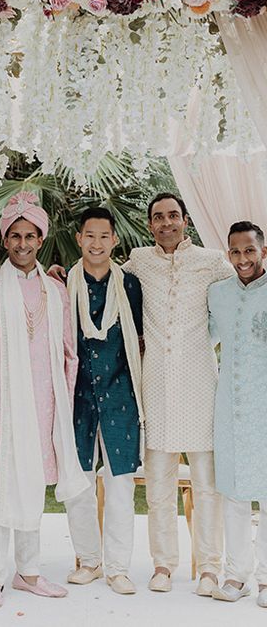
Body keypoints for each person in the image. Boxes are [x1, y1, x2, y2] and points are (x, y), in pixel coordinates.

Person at [0, 191, 88, 609]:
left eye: (30, 236)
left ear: (41, 239)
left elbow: (69, 353)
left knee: (32, 486)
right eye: (14, 236)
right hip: (0, 408)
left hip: (43, 407)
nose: (22, 244)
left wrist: (62, 408)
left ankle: (28, 571)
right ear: (4, 241)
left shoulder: (56, 290)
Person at [122, 193, 233, 595]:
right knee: (159, 485)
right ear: (150, 223)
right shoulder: (139, 261)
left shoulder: (211, 261)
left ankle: (208, 567)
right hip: (156, 387)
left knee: (207, 485)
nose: (166, 222)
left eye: (173, 215)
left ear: (185, 220)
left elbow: (232, 302)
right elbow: (105, 279)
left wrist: (205, 341)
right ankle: (163, 565)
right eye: (158, 217)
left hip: (201, 384)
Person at [63, 207, 144, 595]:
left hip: (120, 397)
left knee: (121, 486)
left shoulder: (130, 286)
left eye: (103, 236)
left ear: (115, 240)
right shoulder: (62, 285)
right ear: (79, 239)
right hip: (76, 398)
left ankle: (118, 567)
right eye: (89, 235)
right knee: (78, 485)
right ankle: (88, 561)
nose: (96, 243)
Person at [208, 221, 267, 608]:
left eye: (249, 250)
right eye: (235, 251)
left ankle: (265, 579)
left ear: (263, 251)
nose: (243, 259)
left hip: (264, 410)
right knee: (231, 494)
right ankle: (236, 575)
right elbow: (202, 337)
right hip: (229, 408)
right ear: (227, 254)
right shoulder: (218, 294)